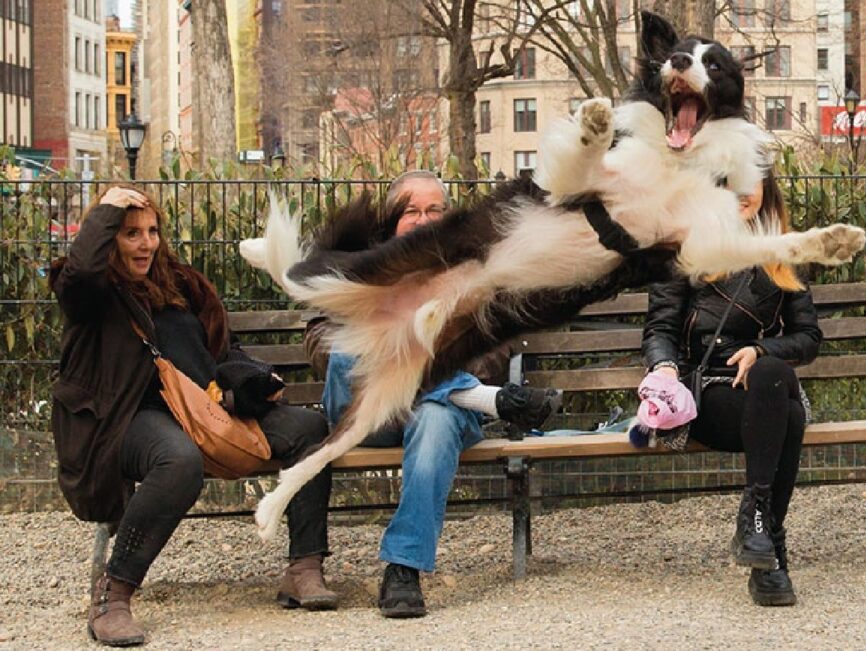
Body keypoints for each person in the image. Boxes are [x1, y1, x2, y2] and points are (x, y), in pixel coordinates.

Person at [50, 185, 337, 647]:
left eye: (152, 231)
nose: (146, 244)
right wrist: (107, 208)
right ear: (107, 237)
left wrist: (244, 385)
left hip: (208, 412)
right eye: (130, 234)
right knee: (178, 460)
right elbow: (82, 273)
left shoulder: (182, 285)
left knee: (311, 430)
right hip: (129, 417)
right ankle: (113, 594)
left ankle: (304, 568)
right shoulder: (91, 291)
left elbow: (224, 351)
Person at [304, 170, 561, 618]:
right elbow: (322, 343)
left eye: (434, 211)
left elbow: (496, 347)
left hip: (436, 416)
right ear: (393, 220)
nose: (423, 221)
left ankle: (403, 568)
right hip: (368, 412)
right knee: (353, 349)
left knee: (437, 418)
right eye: (411, 211)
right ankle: (485, 400)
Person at [641, 171, 822, 607]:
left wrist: (760, 350)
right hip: (704, 395)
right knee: (791, 416)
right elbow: (659, 328)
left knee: (774, 375)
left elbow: (809, 337)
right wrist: (664, 368)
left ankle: (757, 529)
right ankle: (771, 548)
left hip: (763, 391)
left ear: (765, 188)